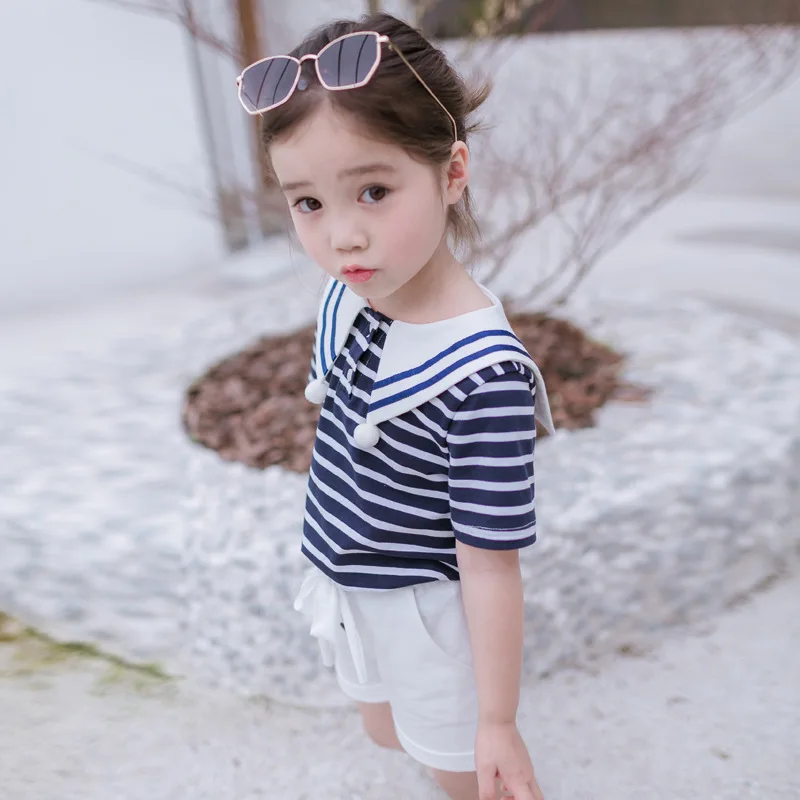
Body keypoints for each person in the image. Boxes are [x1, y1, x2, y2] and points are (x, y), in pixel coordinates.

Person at [236, 12, 554, 800]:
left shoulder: (480, 375)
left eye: (373, 192)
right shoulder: (353, 295)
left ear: (452, 173)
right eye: (308, 203)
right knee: (383, 727)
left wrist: (498, 720)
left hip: (422, 609)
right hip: (347, 581)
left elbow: (490, 562)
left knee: (464, 772)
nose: (342, 236)